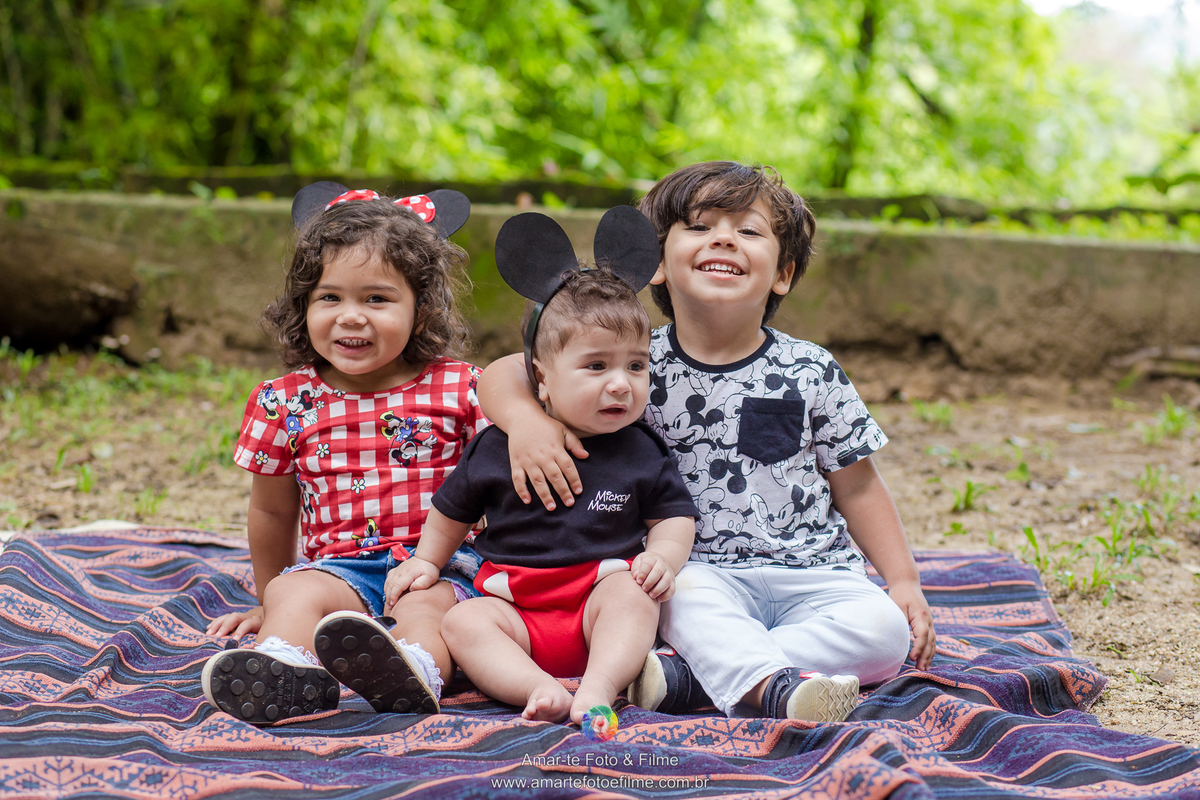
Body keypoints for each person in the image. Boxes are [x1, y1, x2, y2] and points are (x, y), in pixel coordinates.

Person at [477, 161, 936, 723]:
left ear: (783, 272)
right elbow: (508, 371)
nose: (723, 238)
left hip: (816, 570)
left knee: (885, 634)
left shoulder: (811, 369)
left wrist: (903, 580)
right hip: (695, 571)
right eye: (699, 226)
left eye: (748, 230)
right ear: (656, 265)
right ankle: (773, 686)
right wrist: (526, 420)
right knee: (672, 603)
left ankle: (691, 680)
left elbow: (858, 486)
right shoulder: (632, 363)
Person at [387, 224, 697, 725]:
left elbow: (674, 515)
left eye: (636, 367)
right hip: (514, 604)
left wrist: (663, 556)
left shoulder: (640, 448)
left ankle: (600, 685)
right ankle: (538, 688)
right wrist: (426, 560)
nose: (621, 384)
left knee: (635, 597)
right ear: (542, 379)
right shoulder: (500, 445)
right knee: (463, 621)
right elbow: (452, 509)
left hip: (597, 597)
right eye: (596, 366)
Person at [201, 184, 487, 724]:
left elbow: (504, 479)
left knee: (427, 610)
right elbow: (271, 511)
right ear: (303, 306)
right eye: (330, 297)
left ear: (422, 310)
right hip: (338, 570)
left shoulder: (462, 389)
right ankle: (286, 668)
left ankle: (415, 669)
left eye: (376, 299)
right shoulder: (284, 401)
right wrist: (268, 600)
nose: (351, 316)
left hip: (441, 565)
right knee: (294, 591)